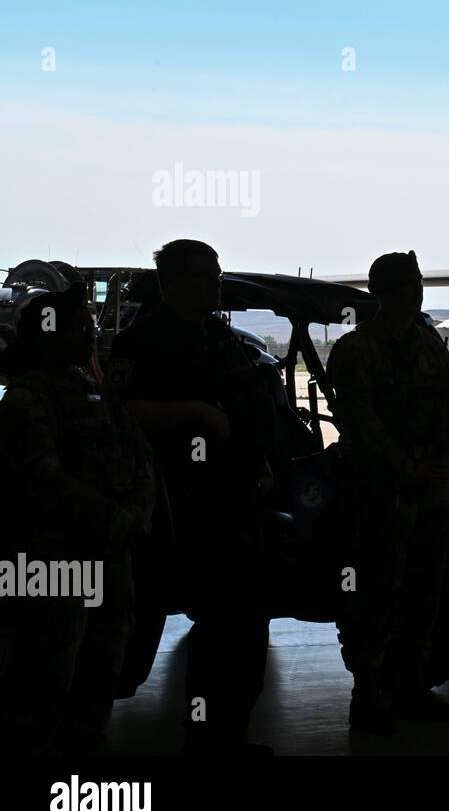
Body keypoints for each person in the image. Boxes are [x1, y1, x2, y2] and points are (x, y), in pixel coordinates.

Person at [107, 239, 276, 754]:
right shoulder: (143, 341)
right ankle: (206, 738)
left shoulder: (220, 337)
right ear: (170, 283)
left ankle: (228, 735)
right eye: (203, 276)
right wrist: (192, 412)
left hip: (236, 498)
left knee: (245, 628)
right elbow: (123, 411)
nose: (214, 283)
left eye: (216, 274)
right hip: (181, 506)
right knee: (217, 625)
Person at [0, 283, 154, 754]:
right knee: (47, 670)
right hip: (54, 559)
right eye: (78, 329)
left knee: (102, 664)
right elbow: (40, 481)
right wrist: (115, 519)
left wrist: (135, 514)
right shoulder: (25, 401)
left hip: (107, 553)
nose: (89, 338)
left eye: (88, 327)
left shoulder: (92, 392)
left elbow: (139, 455)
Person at [327, 251, 449, 734]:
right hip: (382, 492)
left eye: (418, 283)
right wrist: (406, 468)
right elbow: (359, 423)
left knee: (426, 589)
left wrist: (448, 461)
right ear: (385, 292)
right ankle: (367, 692)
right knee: (376, 593)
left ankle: (413, 686)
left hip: (430, 489)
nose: (417, 291)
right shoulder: (356, 349)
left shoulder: (429, 346)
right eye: (408, 284)